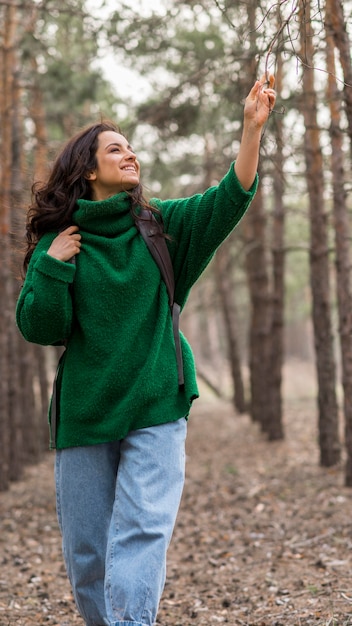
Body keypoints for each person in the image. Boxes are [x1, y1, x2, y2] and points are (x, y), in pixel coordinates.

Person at [16, 74, 276, 626]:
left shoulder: (160, 228)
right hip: (85, 414)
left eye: (132, 148)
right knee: (87, 557)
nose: (130, 155)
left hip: (157, 403)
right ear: (89, 169)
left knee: (140, 535)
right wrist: (53, 265)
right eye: (116, 149)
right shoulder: (61, 246)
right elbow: (39, 326)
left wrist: (252, 129)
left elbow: (230, 196)